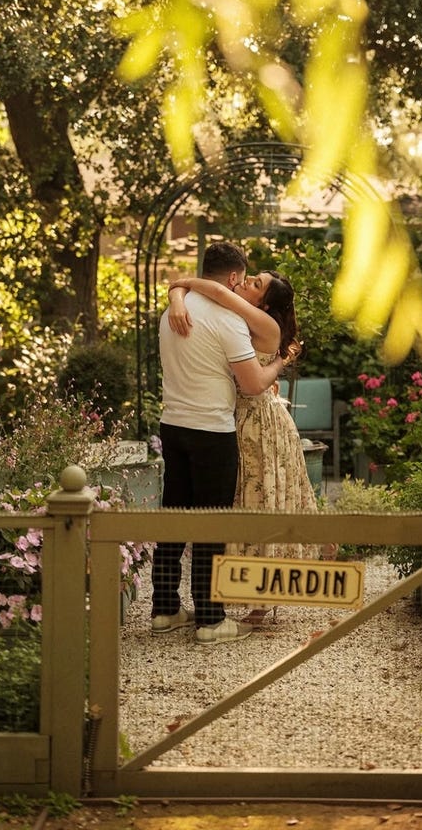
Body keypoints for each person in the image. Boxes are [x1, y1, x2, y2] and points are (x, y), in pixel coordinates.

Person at [168, 269, 332, 625]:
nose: (245, 284)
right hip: (232, 422)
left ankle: (261, 600)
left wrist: (182, 285)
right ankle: (225, 594)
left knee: (264, 500)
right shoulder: (236, 318)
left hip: (262, 424)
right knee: (240, 501)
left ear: (266, 303)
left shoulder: (265, 325)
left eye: (255, 284)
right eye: (250, 278)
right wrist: (176, 295)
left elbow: (218, 292)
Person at [153, 242, 285, 646]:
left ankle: (164, 609)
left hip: (172, 426)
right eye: (244, 281)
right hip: (211, 431)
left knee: (173, 520)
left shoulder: (171, 311)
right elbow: (252, 383)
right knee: (212, 525)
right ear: (233, 279)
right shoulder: (227, 320)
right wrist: (281, 363)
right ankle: (211, 620)